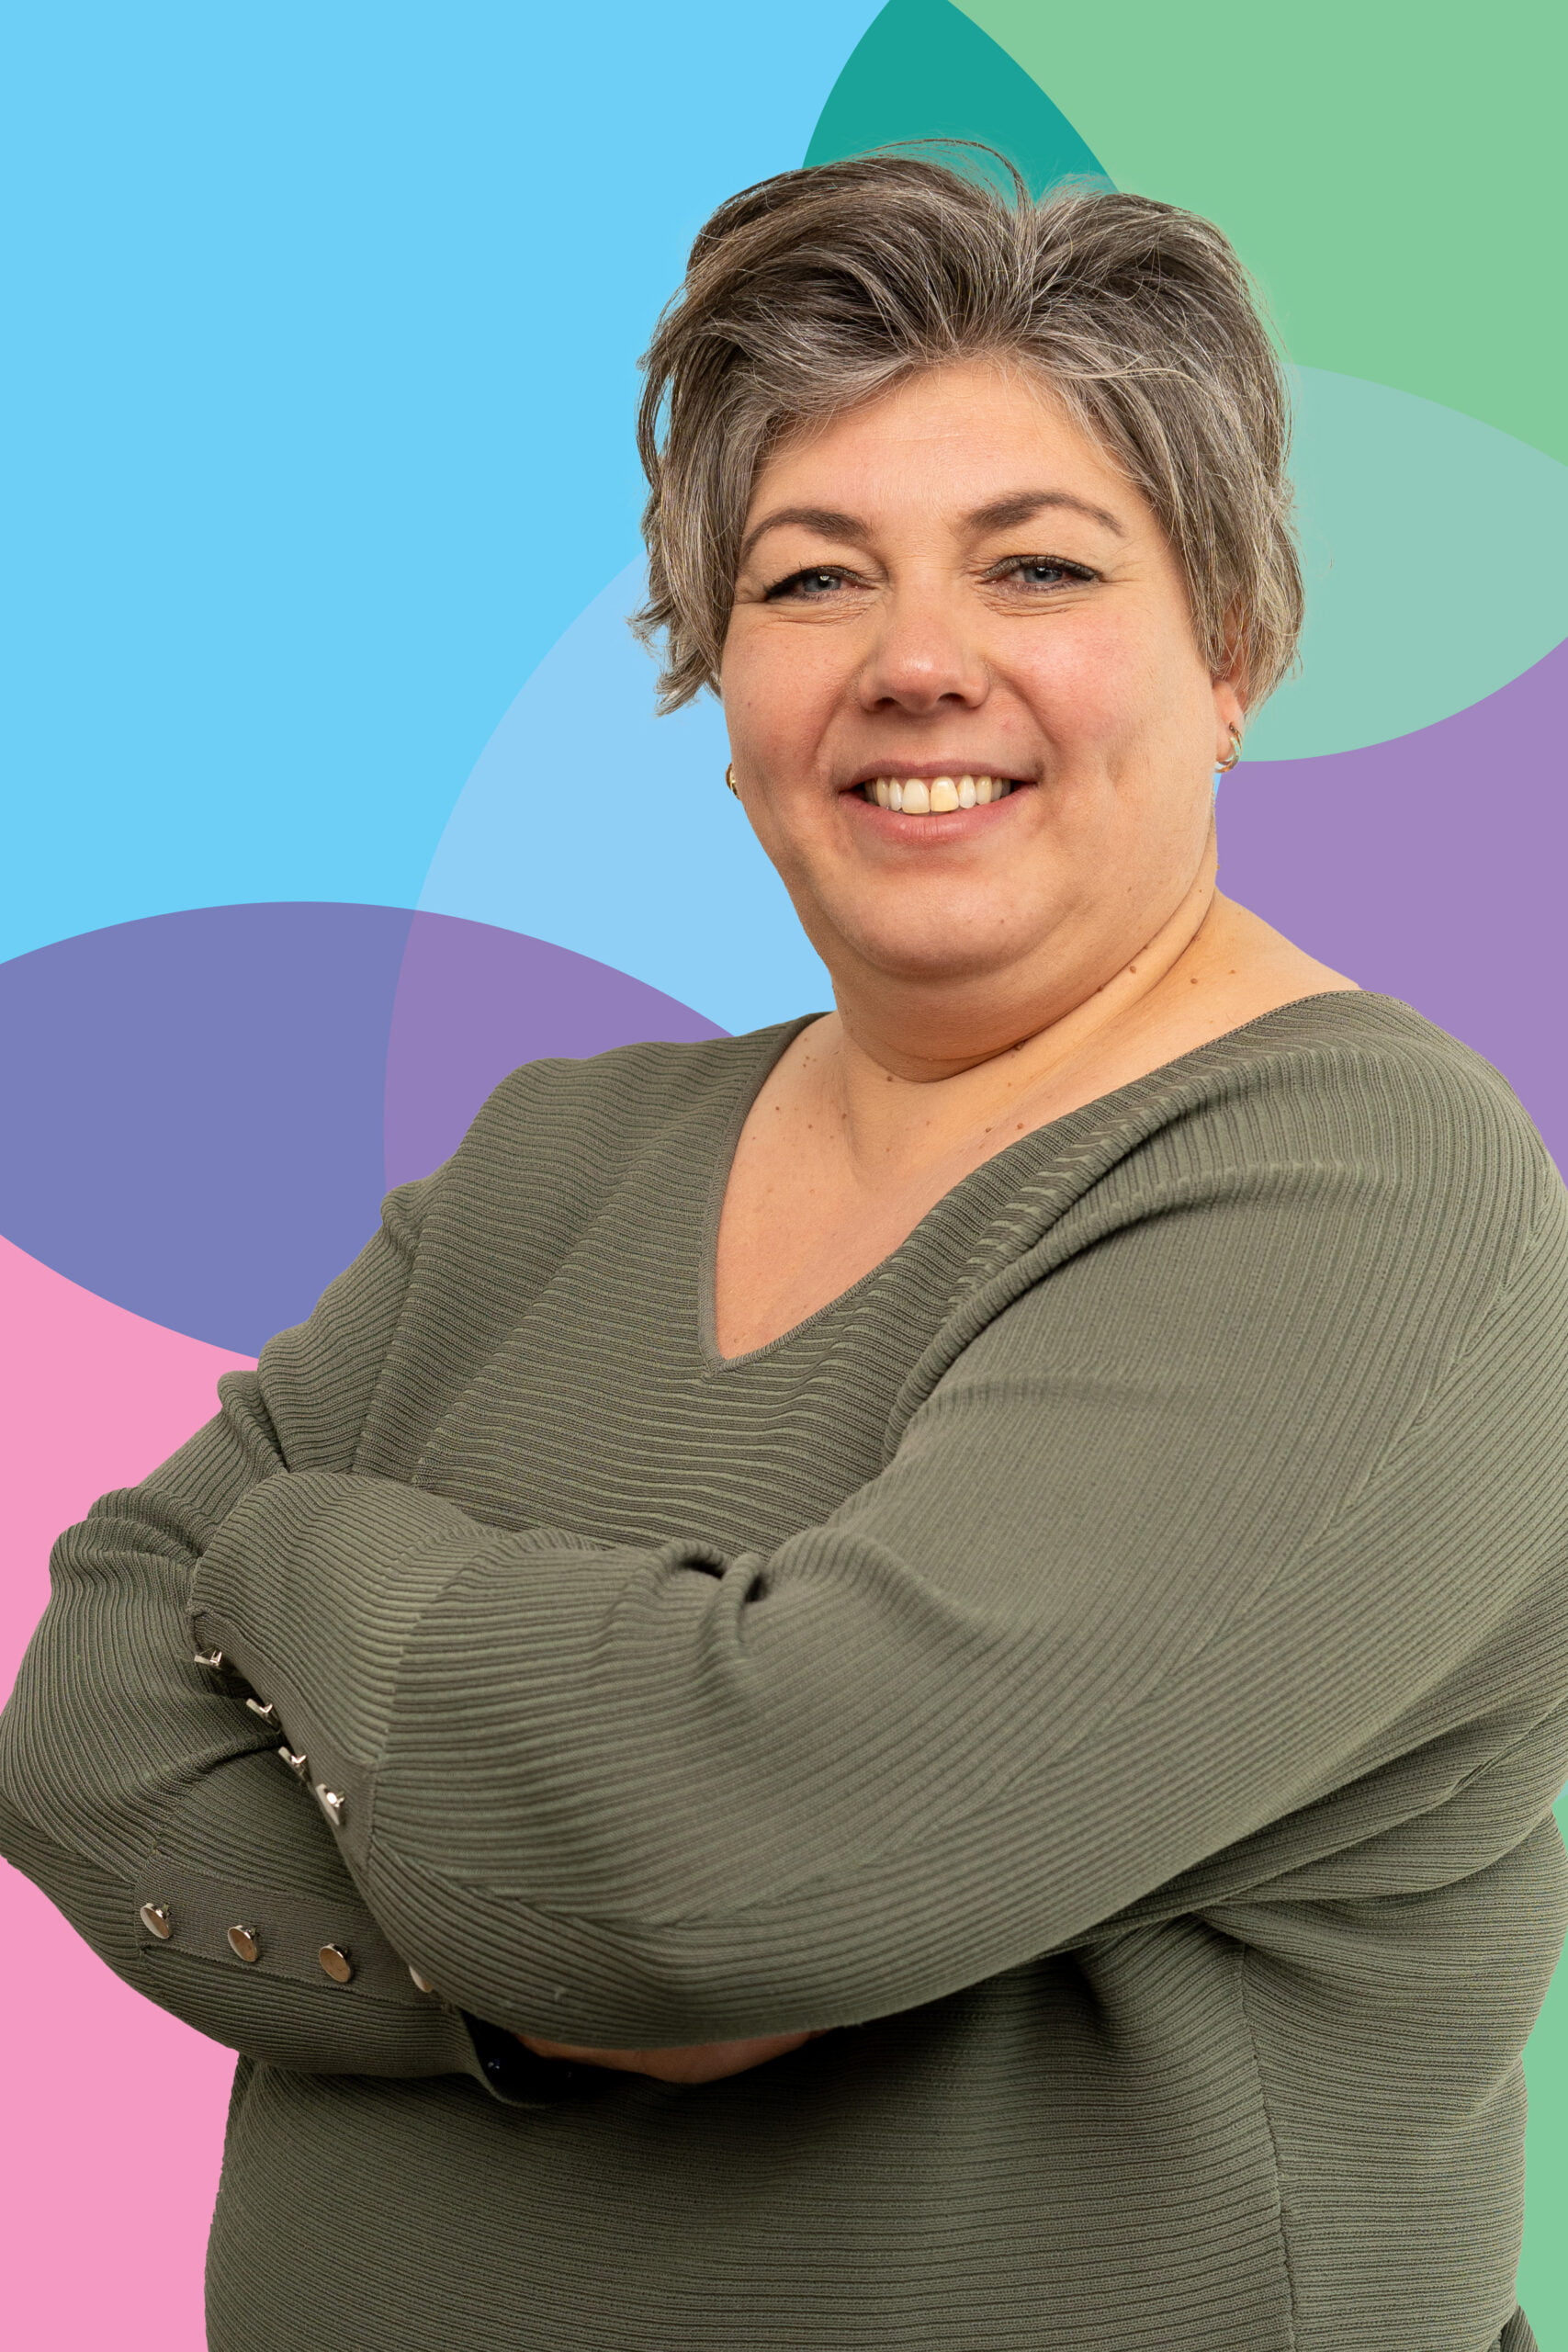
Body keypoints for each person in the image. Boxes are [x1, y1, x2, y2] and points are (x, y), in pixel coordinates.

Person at [1, 151, 1563, 2352]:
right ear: (720, 684)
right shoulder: (559, 1157)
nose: (916, 663)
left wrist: (291, 1557)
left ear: (1228, 648)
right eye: (811, 579)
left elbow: (731, 1865)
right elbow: (82, 1716)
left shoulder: (1367, 1189)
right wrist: (531, 1979)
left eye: (1035, 564)